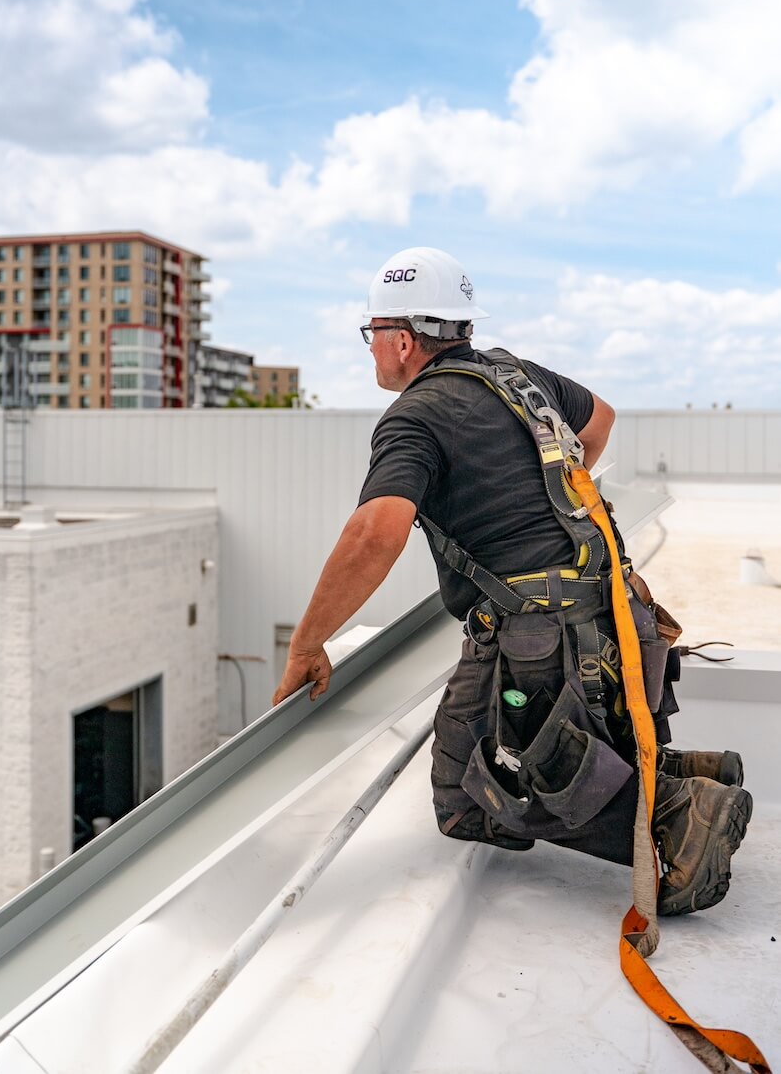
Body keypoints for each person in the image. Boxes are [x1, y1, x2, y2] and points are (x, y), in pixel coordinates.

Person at [272, 246, 751, 916]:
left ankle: (681, 817)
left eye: (372, 335)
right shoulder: (517, 377)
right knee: (466, 793)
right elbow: (599, 420)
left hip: (538, 635)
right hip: (610, 609)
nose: (372, 349)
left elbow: (373, 534)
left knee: (488, 792)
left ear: (403, 340)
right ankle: (691, 775)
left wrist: (305, 646)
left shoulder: (414, 416)